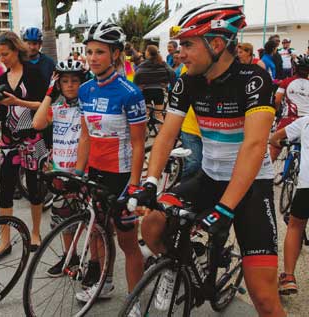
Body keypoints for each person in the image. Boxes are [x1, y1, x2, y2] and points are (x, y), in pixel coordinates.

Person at [132, 3, 285, 316]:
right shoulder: (187, 80)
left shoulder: (253, 80)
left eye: (188, 44)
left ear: (216, 44)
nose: (179, 53)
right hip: (209, 178)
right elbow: (165, 135)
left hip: (251, 187)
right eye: (178, 45)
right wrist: (149, 181)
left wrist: (226, 209)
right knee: (152, 224)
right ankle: (178, 267)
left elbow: (255, 146)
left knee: (265, 300)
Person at [74, 21, 146, 309]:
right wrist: (78, 174)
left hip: (122, 176)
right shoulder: (85, 90)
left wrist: (135, 185)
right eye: (89, 51)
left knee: (128, 242)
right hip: (96, 173)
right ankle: (103, 283)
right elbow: (85, 134)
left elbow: (140, 143)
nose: (92, 57)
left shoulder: (130, 92)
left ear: (116, 55)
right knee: (98, 232)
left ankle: (136, 302)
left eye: (99, 52)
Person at [0, 31, 49, 253]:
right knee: (5, 191)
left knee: (34, 189)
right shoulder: (2, 80)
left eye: (5, 54)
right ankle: (4, 240)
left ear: (16, 50)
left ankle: (35, 232)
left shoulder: (34, 73)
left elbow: (45, 105)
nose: (1, 59)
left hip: (32, 140)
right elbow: (4, 113)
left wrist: (18, 101)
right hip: (9, 142)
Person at [32, 59, 85, 276]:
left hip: (83, 174)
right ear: (59, 85)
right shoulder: (57, 108)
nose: (70, 85)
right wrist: (49, 93)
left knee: (90, 223)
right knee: (61, 220)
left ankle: (94, 264)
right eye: (65, 81)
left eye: (75, 81)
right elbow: (37, 124)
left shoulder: (86, 108)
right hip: (60, 173)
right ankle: (70, 256)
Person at [269, 117, 309, 296]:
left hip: (307, 187)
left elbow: (274, 138)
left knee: (295, 227)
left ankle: (288, 277)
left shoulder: (306, 122)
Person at [270, 54, 309, 161]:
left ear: (295, 68)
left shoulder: (286, 82)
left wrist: (276, 113)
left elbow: (277, 100)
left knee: (274, 147)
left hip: (289, 120)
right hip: (306, 122)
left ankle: (266, 173)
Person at [134, 45, 175, 111]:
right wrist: (168, 83)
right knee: (159, 113)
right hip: (159, 90)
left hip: (146, 90)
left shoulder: (144, 64)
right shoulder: (162, 63)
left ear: (148, 53)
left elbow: (137, 74)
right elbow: (172, 72)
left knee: (147, 113)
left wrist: (137, 85)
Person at [22, 27, 55, 97]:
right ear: (23, 44)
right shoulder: (19, 62)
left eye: (34, 44)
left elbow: (54, 85)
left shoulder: (49, 63)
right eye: (28, 43)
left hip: (45, 104)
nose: (31, 47)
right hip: (23, 105)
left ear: (40, 45)